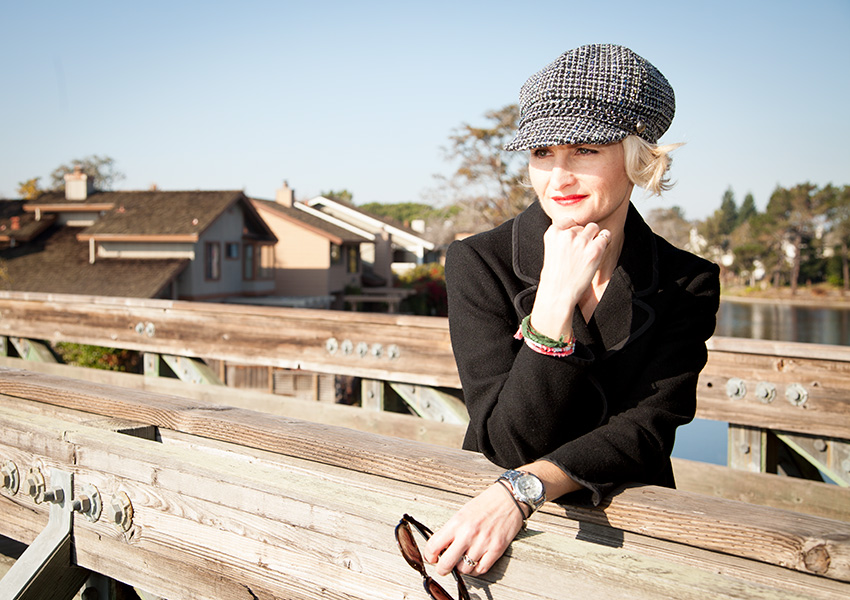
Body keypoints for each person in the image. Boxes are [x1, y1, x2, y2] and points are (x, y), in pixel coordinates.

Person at [422, 43, 721, 578]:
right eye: (542, 153)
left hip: (632, 539)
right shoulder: (479, 262)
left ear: (637, 157)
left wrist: (528, 487)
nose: (557, 179)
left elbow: (649, 428)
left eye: (584, 151)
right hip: (491, 544)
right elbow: (508, 441)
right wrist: (554, 303)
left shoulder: (687, 280)